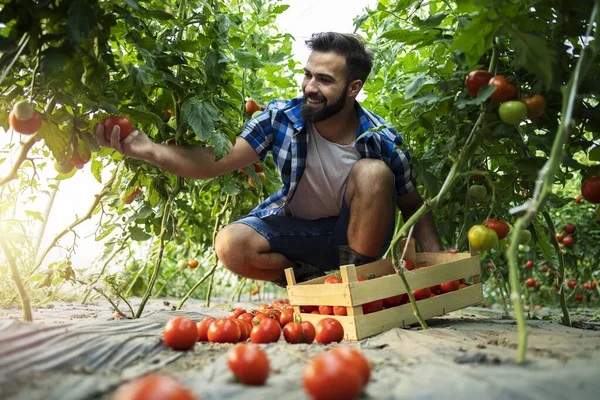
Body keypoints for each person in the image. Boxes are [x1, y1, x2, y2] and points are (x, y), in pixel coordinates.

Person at [95, 32, 442, 287]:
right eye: (308, 74)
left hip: (358, 237)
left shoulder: (380, 138)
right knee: (231, 244)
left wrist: (439, 266)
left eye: (324, 80)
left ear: (353, 88)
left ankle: (358, 285)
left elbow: (414, 206)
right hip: (299, 232)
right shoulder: (281, 118)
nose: (309, 87)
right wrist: (148, 148)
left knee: (373, 173)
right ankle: (310, 285)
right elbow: (216, 161)